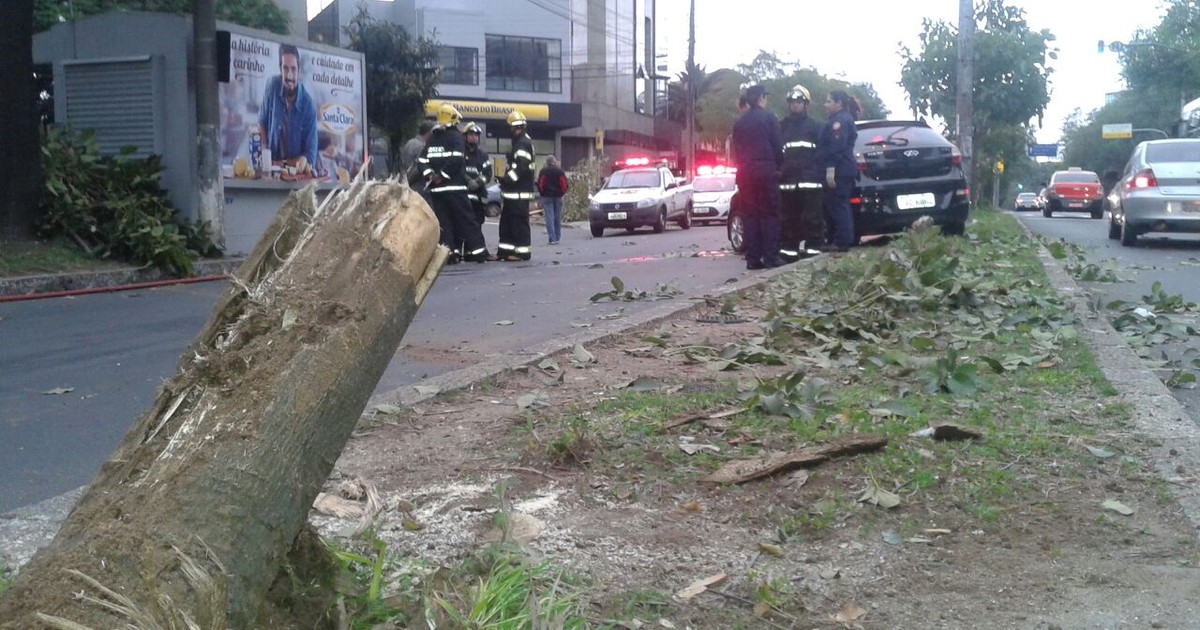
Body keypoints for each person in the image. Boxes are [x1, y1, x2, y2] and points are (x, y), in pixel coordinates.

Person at [418, 104, 488, 263]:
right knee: (467, 220)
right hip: (455, 188)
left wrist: (431, 175)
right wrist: (442, 176)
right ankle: (479, 252)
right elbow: (456, 159)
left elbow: (422, 161)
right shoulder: (456, 136)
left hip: (437, 190)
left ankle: (449, 255)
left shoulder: (433, 139)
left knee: (445, 223)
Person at [731, 84, 785, 270]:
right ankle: (771, 256)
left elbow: (736, 151)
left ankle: (752, 258)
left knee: (750, 215)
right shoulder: (769, 118)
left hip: (745, 173)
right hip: (765, 170)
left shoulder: (739, 123)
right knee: (769, 214)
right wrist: (778, 167)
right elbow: (778, 146)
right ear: (761, 97)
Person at [778, 84, 825, 262]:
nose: (794, 105)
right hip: (788, 182)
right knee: (788, 218)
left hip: (810, 182)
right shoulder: (782, 126)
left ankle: (813, 249)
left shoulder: (816, 127)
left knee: (812, 217)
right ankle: (789, 251)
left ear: (806, 104)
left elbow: (822, 153)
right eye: (792, 102)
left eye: (798, 102)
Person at [258, 43, 318, 173]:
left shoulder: (308, 105)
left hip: (295, 177)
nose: (289, 76)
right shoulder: (272, 86)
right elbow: (262, 121)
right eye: (285, 69)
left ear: (299, 71)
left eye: (293, 69)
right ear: (280, 69)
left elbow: (310, 156)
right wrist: (264, 152)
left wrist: (282, 164)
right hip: (270, 172)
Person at [817, 90, 862, 253]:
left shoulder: (840, 121)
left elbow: (837, 146)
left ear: (839, 103)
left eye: (829, 101)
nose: (826, 105)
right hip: (840, 169)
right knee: (833, 205)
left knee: (839, 205)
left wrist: (831, 167)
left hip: (839, 170)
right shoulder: (838, 119)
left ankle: (842, 241)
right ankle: (837, 239)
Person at [498, 110, 536, 261]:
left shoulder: (522, 144)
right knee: (507, 224)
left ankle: (522, 252)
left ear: (515, 128)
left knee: (518, 224)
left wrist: (506, 179)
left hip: (518, 194)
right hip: (514, 194)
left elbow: (521, 167)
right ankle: (505, 252)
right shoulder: (522, 142)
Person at [462, 121, 495, 258]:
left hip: (478, 196)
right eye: (471, 135)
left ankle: (472, 253)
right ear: (465, 137)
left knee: (477, 223)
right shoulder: (460, 153)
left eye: (476, 135)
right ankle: (464, 251)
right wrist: (467, 180)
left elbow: (487, 172)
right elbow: (457, 170)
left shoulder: (482, 155)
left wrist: (478, 181)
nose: (474, 138)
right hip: (463, 196)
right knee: (464, 225)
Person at [537, 156, 569, 245]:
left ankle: (552, 238)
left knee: (549, 217)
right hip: (558, 197)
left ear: (547, 162)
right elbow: (564, 184)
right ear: (555, 162)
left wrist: (542, 193)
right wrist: (562, 193)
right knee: (557, 217)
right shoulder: (560, 171)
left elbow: (540, 184)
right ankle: (558, 237)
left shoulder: (543, 171)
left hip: (547, 196)